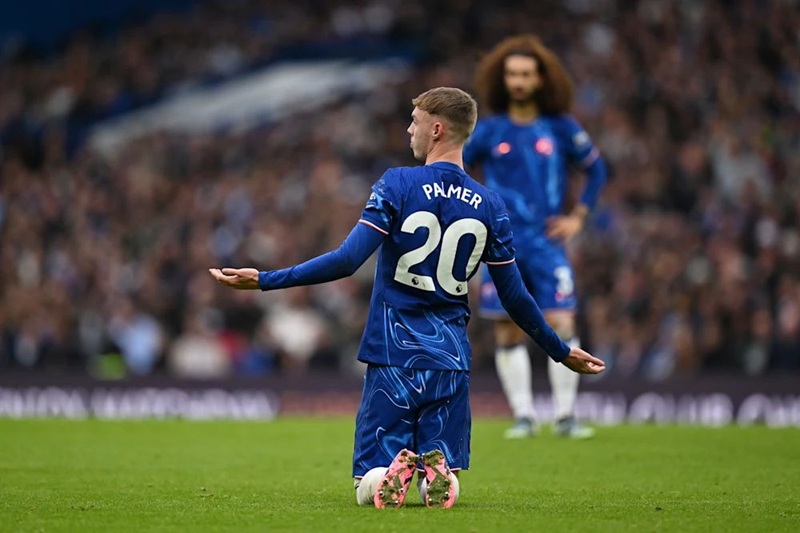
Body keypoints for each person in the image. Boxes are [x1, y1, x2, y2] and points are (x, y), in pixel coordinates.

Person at [210, 87, 605, 509]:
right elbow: (515, 297)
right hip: (450, 361)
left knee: (369, 480)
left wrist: (266, 279)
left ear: (437, 129)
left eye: (414, 121)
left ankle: (384, 477)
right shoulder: (492, 206)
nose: (408, 129)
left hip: (394, 354)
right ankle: (440, 477)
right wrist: (560, 351)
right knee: (443, 468)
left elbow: (347, 261)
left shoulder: (397, 183)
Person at [463, 35, 608, 440]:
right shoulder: (489, 130)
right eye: (512, 74)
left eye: (526, 74)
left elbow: (596, 170)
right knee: (507, 328)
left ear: (542, 79)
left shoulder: (560, 127)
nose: (519, 81)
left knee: (562, 321)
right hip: (500, 244)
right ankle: (524, 415)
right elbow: (455, 166)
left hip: (547, 242)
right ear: (502, 79)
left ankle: (564, 416)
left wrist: (578, 217)